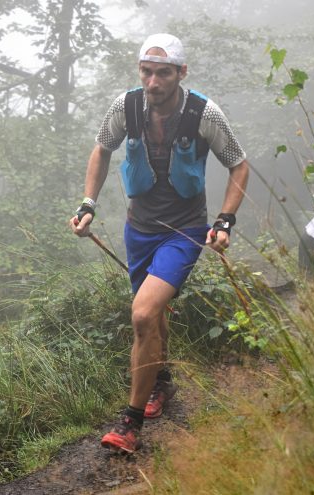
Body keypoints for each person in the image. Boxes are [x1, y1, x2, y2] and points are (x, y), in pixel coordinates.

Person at [69, 33, 250, 453]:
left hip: (184, 231)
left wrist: (225, 220)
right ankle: (161, 384)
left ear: (181, 73)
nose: (153, 82)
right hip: (139, 229)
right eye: (146, 72)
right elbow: (101, 149)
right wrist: (88, 203)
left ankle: (130, 425)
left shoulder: (205, 113)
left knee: (143, 312)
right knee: (153, 314)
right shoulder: (127, 106)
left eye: (163, 73)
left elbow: (239, 166)